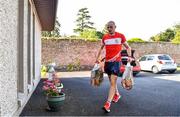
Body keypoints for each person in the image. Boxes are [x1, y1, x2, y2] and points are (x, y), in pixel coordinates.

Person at [96, 21, 133, 113]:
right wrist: (98, 58)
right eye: (108, 27)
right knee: (111, 82)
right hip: (107, 63)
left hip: (116, 63)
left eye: (111, 27)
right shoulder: (104, 37)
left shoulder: (120, 36)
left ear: (115, 27)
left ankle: (107, 104)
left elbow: (128, 47)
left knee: (113, 82)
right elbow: (101, 48)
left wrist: (129, 57)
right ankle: (117, 94)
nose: (109, 29)